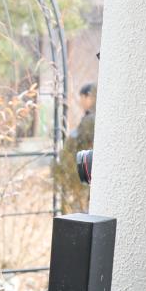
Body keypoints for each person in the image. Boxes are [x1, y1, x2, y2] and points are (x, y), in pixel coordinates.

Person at [54, 82, 97, 214]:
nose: (81, 103)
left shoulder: (91, 118)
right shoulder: (96, 115)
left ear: (88, 97)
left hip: (84, 171)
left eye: (82, 99)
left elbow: (79, 140)